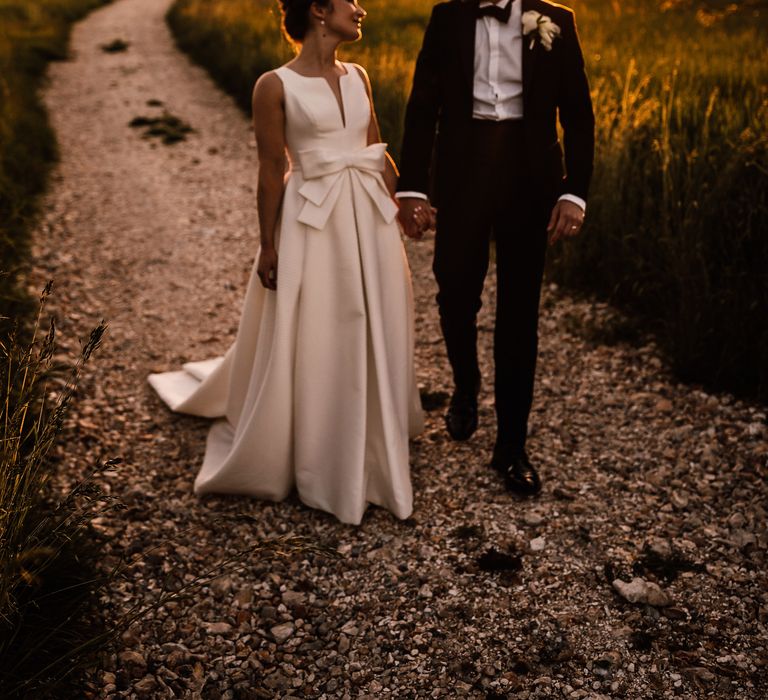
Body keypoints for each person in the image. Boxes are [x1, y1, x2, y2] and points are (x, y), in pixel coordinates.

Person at [148, 0, 424, 525]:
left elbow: (373, 149)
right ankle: (317, 445)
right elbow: (271, 168)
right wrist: (268, 245)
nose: (361, 10)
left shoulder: (359, 74)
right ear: (319, 10)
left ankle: (375, 427)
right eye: (351, 2)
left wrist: (404, 202)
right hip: (312, 222)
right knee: (324, 324)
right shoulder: (273, 85)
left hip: (369, 217)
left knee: (380, 314)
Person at [396, 0, 595, 496]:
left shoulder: (557, 20)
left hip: (531, 180)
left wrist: (575, 193)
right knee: (455, 290)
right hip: (463, 174)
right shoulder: (448, 18)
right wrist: (413, 188)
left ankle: (511, 447)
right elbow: (423, 105)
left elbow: (578, 113)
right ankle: (466, 383)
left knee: (519, 313)